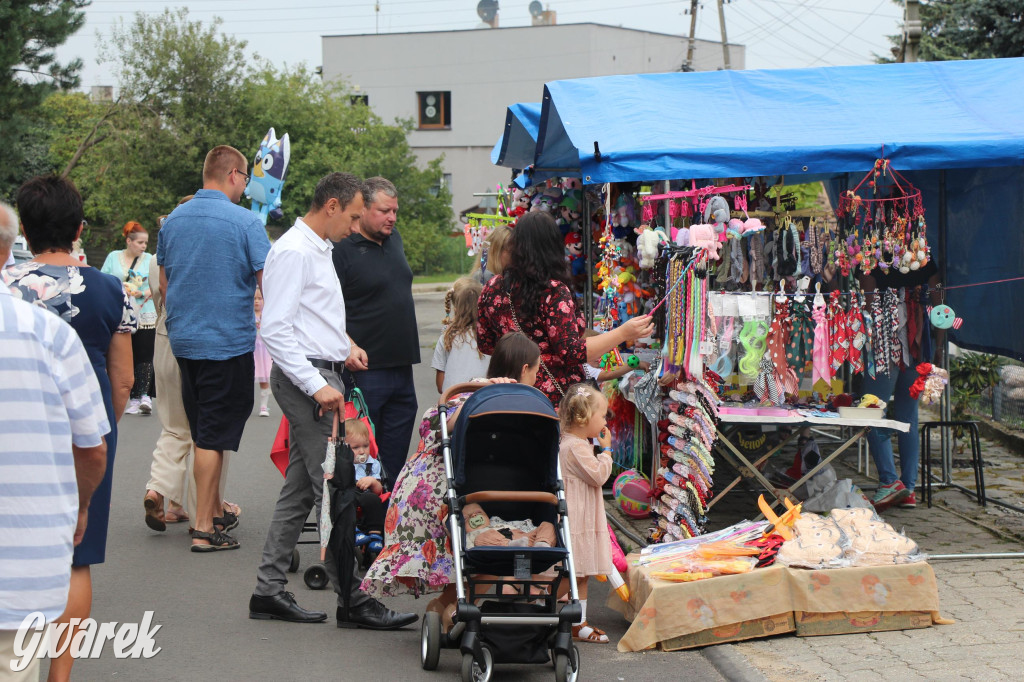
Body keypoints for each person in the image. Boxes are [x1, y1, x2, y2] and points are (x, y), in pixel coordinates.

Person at [250, 172, 416, 630]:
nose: (356, 225)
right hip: (308, 378)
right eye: (354, 215)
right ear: (332, 207)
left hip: (322, 370)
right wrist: (315, 383)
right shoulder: (293, 251)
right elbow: (276, 329)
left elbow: (310, 317)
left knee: (304, 489)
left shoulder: (316, 249)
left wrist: (342, 344)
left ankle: (268, 590)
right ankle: (355, 599)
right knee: (338, 486)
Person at [2, 177, 135, 682]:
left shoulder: (8, 283)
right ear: (80, 229)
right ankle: (60, 673)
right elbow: (123, 378)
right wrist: (103, 428)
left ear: (26, 230)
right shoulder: (107, 286)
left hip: (18, 427)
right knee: (76, 555)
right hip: (89, 430)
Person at [361, 332, 539, 619]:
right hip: (437, 493)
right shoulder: (472, 393)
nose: (537, 379)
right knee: (466, 561)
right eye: (537, 371)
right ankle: (449, 616)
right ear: (524, 370)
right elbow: (444, 423)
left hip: (461, 488)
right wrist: (484, 393)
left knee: (469, 564)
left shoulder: (509, 399)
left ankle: (446, 613)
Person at [158, 145, 271, 551]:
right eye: (245, 180)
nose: (245, 187)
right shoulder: (245, 222)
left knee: (207, 427)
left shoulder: (172, 221)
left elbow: (166, 283)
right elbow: (268, 284)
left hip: (185, 340)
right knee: (211, 435)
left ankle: (212, 511)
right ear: (235, 175)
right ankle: (205, 527)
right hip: (226, 342)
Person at [477, 211, 655, 405]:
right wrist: (623, 332)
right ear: (553, 246)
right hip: (554, 399)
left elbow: (485, 344)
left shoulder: (492, 287)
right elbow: (571, 351)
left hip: (508, 390)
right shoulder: (552, 290)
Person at [144, 203, 239, 533]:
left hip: (163, 335)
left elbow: (162, 290)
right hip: (198, 339)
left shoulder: (164, 249)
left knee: (173, 426)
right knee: (207, 431)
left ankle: (161, 490)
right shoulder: (206, 251)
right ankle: (207, 511)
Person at [333, 176, 420, 485]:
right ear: (364, 207)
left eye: (395, 211)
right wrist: (346, 345)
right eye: (384, 211)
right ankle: (358, 523)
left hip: (402, 367)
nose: (392, 218)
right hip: (365, 373)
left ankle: (386, 520)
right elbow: (327, 310)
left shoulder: (394, 239)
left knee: (394, 458)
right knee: (362, 455)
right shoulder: (342, 248)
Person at [858, 259, 941, 511]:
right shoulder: (922, 257)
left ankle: (890, 481)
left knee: (870, 409)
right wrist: (936, 345)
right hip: (918, 341)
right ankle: (909, 489)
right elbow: (939, 303)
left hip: (886, 341)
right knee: (908, 416)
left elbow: (869, 303)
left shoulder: (870, 257)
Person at [558, 383, 615, 644]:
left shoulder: (573, 442)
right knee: (573, 572)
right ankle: (550, 609)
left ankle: (578, 622)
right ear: (584, 418)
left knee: (582, 571)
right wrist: (607, 452)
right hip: (577, 517)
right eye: (602, 415)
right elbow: (598, 475)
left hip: (581, 514)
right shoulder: (576, 447)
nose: (605, 420)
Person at [101, 221, 157, 415]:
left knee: (145, 353)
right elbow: (104, 278)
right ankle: (130, 396)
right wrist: (120, 288)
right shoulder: (113, 257)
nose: (143, 246)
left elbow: (158, 282)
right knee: (125, 353)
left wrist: (143, 293)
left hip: (144, 310)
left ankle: (144, 395)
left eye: (145, 243)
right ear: (128, 241)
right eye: (140, 242)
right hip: (120, 311)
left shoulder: (150, 259)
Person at [431, 276, 490, 393]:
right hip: (484, 402)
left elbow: (440, 385)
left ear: (456, 306)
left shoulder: (446, 336)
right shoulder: (491, 335)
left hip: (452, 402)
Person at [345, 419, 386, 554]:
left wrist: (373, 481)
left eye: (366, 446)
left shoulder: (372, 464)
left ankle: (375, 535)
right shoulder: (342, 463)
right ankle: (353, 530)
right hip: (347, 493)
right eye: (356, 448)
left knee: (374, 500)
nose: (362, 451)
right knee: (345, 498)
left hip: (366, 494)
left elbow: (379, 489)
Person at [254, 289, 273, 416]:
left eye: (259, 298)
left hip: (264, 351)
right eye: (254, 299)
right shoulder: (248, 315)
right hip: (252, 350)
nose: (256, 301)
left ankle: (263, 406)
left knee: (264, 379)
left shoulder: (267, 315)